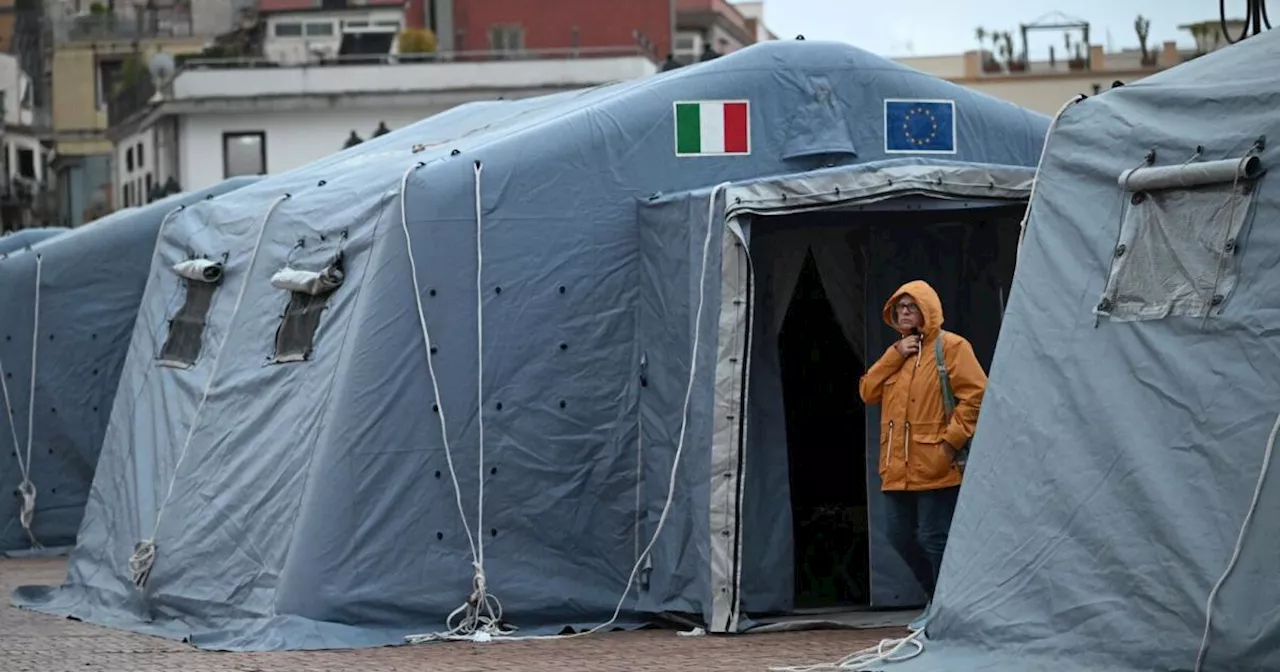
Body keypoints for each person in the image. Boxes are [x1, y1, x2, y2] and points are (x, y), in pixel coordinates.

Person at [858, 280, 987, 631]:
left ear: (927, 311)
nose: (903, 312)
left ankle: (950, 606)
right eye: (899, 307)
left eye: (910, 307)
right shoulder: (898, 352)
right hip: (895, 465)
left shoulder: (952, 347)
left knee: (933, 536)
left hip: (936, 462)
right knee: (896, 533)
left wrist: (949, 443)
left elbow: (976, 395)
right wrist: (894, 354)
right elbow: (867, 391)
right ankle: (938, 599)